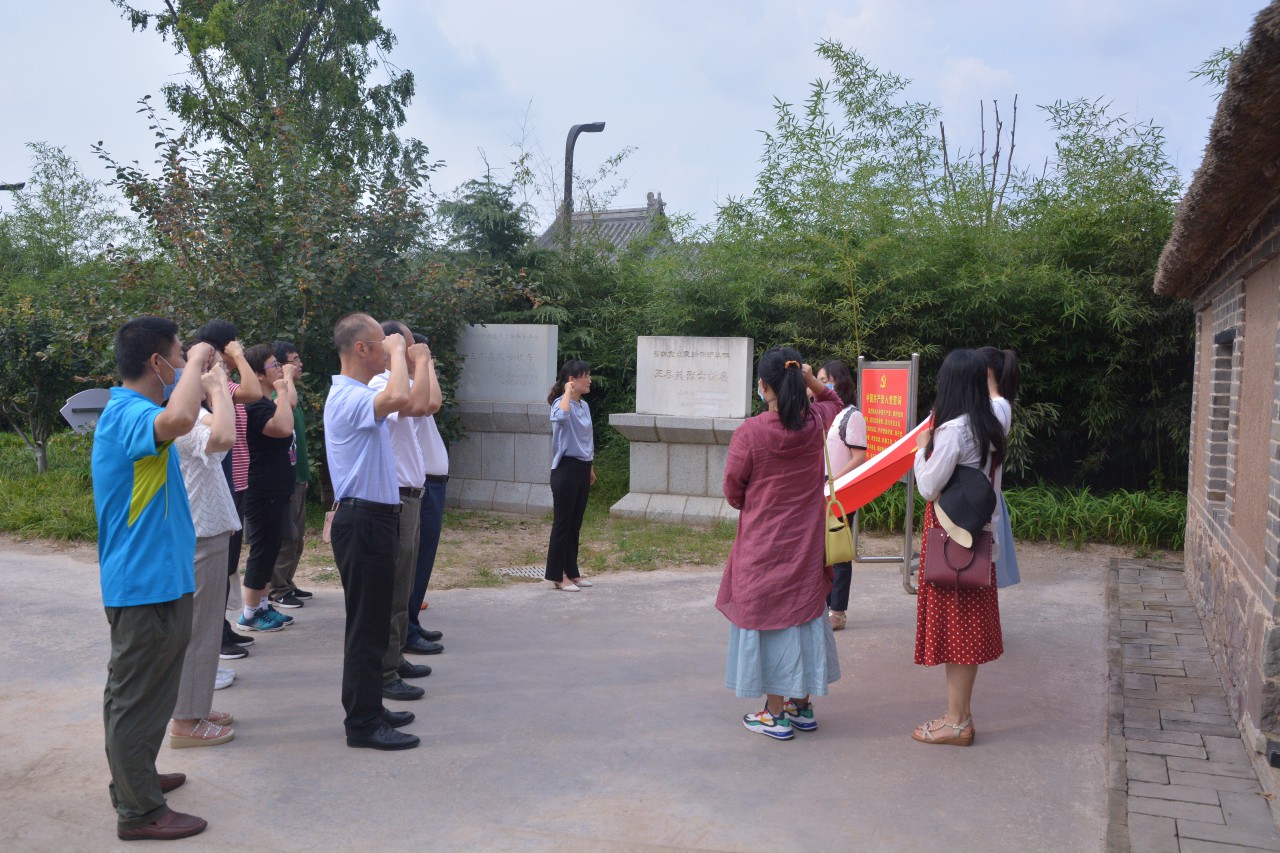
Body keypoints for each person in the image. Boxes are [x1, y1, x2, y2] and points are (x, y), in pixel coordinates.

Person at [93, 316, 213, 840]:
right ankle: (139, 811)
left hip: (159, 578)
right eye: (180, 356)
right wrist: (203, 356)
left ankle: (135, 775)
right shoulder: (128, 413)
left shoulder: (137, 412)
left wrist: (196, 365)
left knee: (148, 694)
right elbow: (182, 417)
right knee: (136, 698)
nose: (186, 365)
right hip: (143, 585)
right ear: (157, 362)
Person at [717, 348, 845, 740]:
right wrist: (810, 380)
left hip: (763, 543)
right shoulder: (814, 423)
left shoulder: (751, 432)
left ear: (763, 386)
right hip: (806, 543)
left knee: (769, 622)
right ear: (796, 380)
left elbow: (732, 490)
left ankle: (774, 714)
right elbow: (835, 402)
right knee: (802, 617)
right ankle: (801, 706)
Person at [323, 312, 423, 750]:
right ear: (361, 348)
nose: (388, 349)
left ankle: (370, 707)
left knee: (376, 622)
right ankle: (361, 723)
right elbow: (400, 395)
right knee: (365, 627)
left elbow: (407, 401)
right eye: (381, 343)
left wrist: (398, 353)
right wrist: (401, 351)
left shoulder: (360, 394)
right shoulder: (346, 396)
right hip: (362, 520)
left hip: (375, 518)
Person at [910, 349, 1008, 747]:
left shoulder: (952, 430)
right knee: (965, 627)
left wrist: (921, 448)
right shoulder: (992, 423)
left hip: (949, 539)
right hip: (977, 536)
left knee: (955, 629)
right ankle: (961, 716)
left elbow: (927, 486)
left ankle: (955, 722)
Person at [170, 356, 238, 749]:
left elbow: (224, 426)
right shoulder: (180, 422)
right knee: (198, 630)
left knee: (208, 628)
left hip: (208, 533)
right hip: (199, 536)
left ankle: (196, 707)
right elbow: (225, 436)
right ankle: (186, 720)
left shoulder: (192, 418)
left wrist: (216, 391)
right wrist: (218, 387)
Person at [369, 320, 439, 703]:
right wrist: (420, 361)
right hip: (395, 495)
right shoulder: (381, 384)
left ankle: (394, 659)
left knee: (404, 585)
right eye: (406, 345)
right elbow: (419, 404)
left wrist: (422, 364)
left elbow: (428, 404)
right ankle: (385, 671)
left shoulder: (399, 384)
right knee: (393, 589)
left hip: (410, 494)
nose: (413, 352)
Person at [192, 320, 261, 659]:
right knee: (218, 563)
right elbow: (254, 392)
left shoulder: (222, 380)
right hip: (223, 477)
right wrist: (236, 357)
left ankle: (220, 627)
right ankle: (214, 636)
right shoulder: (213, 382)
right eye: (236, 342)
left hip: (238, 479)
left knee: (230, 561)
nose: (241, 347)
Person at [237, 344, 298, 633]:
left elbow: (290, 409)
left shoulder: (265, 402)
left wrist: (283, 390)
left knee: (272, 546)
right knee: (262, 549)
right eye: (274, 365)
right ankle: (249, 613)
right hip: (261, 489)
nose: (279, 369)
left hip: (276, 487)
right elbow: (283, 428)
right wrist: (282, 390)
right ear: (259, 374)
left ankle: (262, 606)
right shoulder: (255, 406)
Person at [817, 360, 866, 631]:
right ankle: (822, 607)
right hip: (820, 488)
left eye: (825, 381)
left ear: (839, 381)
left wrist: (835, 479)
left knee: (838, 551)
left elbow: (859, 456)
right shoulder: (822, 413)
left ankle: (837, 611)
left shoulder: (851, 415)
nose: (820, 386)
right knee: (821, 551)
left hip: (841, 490)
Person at [407, 332, 448, 648]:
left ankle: (412, 622)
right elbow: (433, 403)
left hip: (432, 484)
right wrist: (426, 363)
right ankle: (406, 628)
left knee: (423, 560)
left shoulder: (413, 384)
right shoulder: (407, 387)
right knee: (415, 561)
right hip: (422, 485)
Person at [268, 340, 315, 609]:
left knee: (297, 538)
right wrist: (285, 377)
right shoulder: (277, 395)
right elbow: (291, 403)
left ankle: (287, 581)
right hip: (285, 478)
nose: (299, 365)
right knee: (287, 537)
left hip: (298, 476)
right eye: (294, 360)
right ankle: (278, 589)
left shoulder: (289, 392)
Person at [544, 359, 595, 591]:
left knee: (575, 523)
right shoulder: (560, 403)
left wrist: (590, 466)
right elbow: (561, 417)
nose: (590, 380)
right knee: (562, 524)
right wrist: (566, 392)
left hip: (582, 467)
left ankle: (572, 571)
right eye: (586, 376)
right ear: (572, 380)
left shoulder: (584, 406)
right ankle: (557, 575)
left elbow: (587, 438)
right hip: (565, 468)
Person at [978, 346, 1021, 589]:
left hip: (983, 489)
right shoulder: (996, 404)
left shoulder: (996, 406)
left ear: (986, 371)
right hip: (984, 488)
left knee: (980, 567)